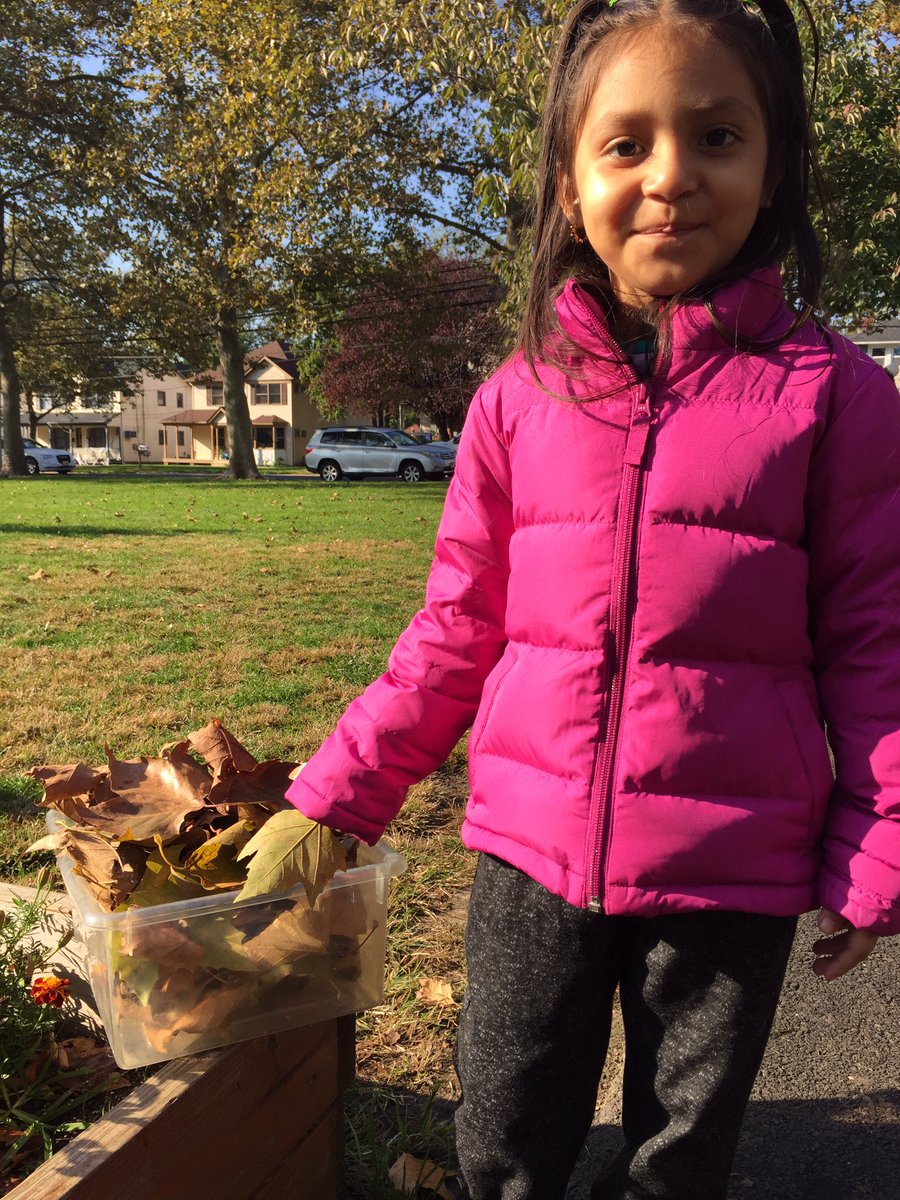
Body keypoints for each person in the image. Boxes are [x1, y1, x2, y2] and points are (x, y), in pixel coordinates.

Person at [286, 1, 899, 1196]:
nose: (672, 176)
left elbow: (881, 645)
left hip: (733, 871)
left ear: (772, 166)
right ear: (570, 183)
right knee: (504, 1137)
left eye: (718, 135)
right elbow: (454, 625)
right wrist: (339, 793)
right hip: (528, 856)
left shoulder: (839, 396)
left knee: (679, 1159)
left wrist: (876, 845)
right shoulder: (515, 400)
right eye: (627, 143)